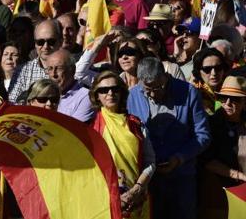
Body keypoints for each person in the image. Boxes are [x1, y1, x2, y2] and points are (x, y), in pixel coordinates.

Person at [127, 57, 210, 219]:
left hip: (181, 177)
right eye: (147, 89)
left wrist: (179, 158)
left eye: (157, 88)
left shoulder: (188, 92)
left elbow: (203, 135)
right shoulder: (134, 95)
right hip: (149, 179)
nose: (152, 94)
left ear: (165, 76)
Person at [89, 72, 155, 218]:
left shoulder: (137, 125)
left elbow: (150, 162)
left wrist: (137, 188)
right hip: (104, 202)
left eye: (115, 89)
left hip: (137, 199)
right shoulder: (91, 130)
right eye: (104, 90)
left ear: (122, 93)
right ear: (96, 95)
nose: (110, 93)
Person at [199, 76, 246, 219]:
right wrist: (239, 175)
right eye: (224, 98)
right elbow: (207, 160)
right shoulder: (212, 124)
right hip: (218, 193)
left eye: (235, 99)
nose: (228, 103)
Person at [8, 19, 61, 104]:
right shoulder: (22, 71)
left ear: (60, 41)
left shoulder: (70, 69)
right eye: (40, 42)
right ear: (35, 43)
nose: (45, 46)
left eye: (51, 42)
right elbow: (12, 103)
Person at [47, 49, 94, 122]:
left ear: (72, 70)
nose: (53, 74)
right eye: (50, 69)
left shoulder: (86, 97)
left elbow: (72, 129)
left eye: (59, 68)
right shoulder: (43, 95)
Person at [191, 48, 230, 115]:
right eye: (207, 69)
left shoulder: (231, 86)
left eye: (218, 68)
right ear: (198, 71)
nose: (214, 73)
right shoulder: (195, 93)